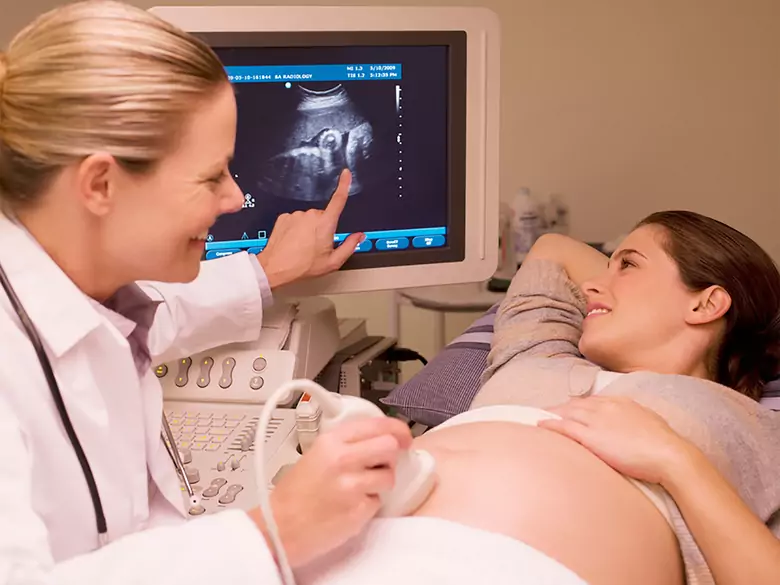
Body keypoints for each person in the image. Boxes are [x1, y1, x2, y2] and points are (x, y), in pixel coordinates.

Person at [0, 1, 413, 583]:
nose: (234, 197)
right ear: (100, 184)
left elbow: (159, 312)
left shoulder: (92, 294)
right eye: (211, 175)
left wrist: (266, 271)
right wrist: (277, 531)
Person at [292, 211, 780, 585]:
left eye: (628, 264)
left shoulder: (746, 423)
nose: (591, 285)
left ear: (707, 302)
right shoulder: (537, 354)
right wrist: (623, 289)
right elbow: (552, 249)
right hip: (347, 555)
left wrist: (674, 458)